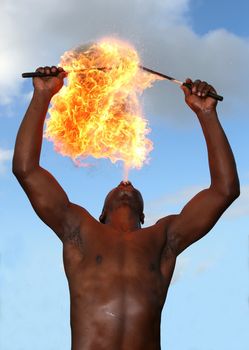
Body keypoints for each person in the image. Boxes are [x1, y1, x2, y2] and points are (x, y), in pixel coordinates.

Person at [13, 66, 240, 350]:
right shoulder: (78, 229)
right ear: (102, 212)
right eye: (119, 187)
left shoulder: (164, 237)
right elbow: (26, 170)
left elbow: (225, 191)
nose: (126, 183)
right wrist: (42, 95)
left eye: (132, 188)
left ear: (144, 215)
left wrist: (207, 114)